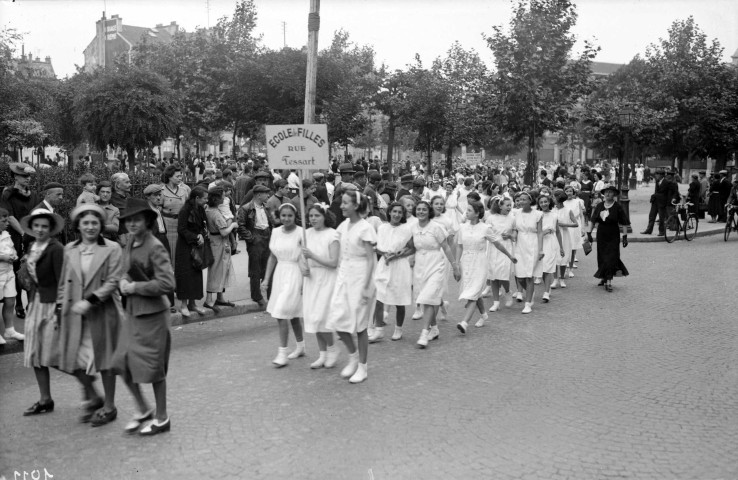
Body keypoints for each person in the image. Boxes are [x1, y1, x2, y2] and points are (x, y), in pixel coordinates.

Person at [57, 204, 125, 426]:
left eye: (95, 223)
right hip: (74, 312)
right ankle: (94, 395)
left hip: (103, 311)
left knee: (104, 361)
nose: (90, 227)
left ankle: (109, 406)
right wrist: (59, 307)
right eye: (85, 223)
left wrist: (90, 301)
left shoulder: (112, 248)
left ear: (101, 225)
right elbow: (63, 282)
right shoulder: (69, 249)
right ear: (78, 225)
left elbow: (114, 281)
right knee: (70, 359)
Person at [114, 198, 176, 435]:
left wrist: (135, 288)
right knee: (121, 363)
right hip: (132, 313)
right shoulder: (131, 241)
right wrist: (122, 280)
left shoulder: (155, 246)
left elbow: (167, 283)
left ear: (148, 221)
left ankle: (162, 418)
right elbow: (125, 268)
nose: (131, 224)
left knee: (153, 368)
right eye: (128, 220)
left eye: (136, 219)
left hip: (153, 316)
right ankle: (142, 409)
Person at [325, 192, 377, 383]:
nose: (342, 206)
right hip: (344, 274)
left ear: (356, 206)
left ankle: (363, 367)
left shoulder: (366, 228)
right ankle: (353, 356)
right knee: (338, 318)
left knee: (360, 324)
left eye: (346, 203)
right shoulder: (343, 225)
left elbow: (372, 259)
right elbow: (336, 248)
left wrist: (366, 286)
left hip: (361, 275)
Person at [21, 208, 65, 417]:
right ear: (31, 227)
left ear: (50, 229)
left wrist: (59, 309)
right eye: (36, 225)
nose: (40, 229)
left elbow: (64, 281)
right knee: (35, 353)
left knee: (54, 355)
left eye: (44, 226)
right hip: (36, 303)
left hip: (52, 306)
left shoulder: (56, 249)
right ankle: (45, 399)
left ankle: (91, 390)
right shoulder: (32, 246)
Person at [456, 201, 516, 333]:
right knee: (474, 293)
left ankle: (464, 322)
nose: (466, 212)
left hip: (480, 263)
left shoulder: (485, 228)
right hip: (466, 262)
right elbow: (460, 246)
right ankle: (483, 315)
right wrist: (456, 264)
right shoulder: (462, 227)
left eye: (470, 210)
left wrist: (509, 256)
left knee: (473, 293)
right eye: (467, 210)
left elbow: (498, 244)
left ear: (477, 213)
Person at [409, 201, 459, 348]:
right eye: (418, 209)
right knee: (423, 298)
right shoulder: (412, 228)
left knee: (429, 297)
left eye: (424, 209)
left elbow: (446, 247)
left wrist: (455, 266)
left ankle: (424, 333)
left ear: (428, 211)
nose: (421, 212)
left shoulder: (436, 227)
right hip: (420, 265)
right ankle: (435, 329)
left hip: (436, 264)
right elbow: (411, 247)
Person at [262, 204, 305, 367]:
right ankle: (300, 346)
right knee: (292, 314)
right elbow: (272, 257)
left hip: (295, 273)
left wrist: (305, 280)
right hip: (280, 273)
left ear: (295, 216)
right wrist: (266, 279)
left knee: (281, 312)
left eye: (290, 216)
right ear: (279, 216)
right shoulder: (275, 232)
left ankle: (282, 353)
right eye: (283, 215)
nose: (286, 219)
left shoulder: (302, 233)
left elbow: (305, 258)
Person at [300, 204, 340, 368]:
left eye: (317, 215)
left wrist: (312, 256)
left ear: (325, 216)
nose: (313, 219)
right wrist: (303, 267)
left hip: (327, 279)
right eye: (311, 216)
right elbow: (301, 256)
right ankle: (322, 354)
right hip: (312, 279)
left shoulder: (333, 235)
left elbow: (333, 262)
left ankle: (332, 349)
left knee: (322, 317)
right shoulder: (306, 234)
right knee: (313, 317)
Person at [1, 163, 39, 320]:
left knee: (31, 268)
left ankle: (31, 303)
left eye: (29, 176)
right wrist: (23, 233)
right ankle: (18, 304)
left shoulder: (34, 194)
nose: (27, 179)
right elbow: (9, 216)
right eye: (24, 176)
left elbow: (36, 214)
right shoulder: (7, 194)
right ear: (16, 176)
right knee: (16, 269)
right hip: (15, 235)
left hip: (31, 235)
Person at [371, 202, 413, 342]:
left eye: (399, 212)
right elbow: (376, 246)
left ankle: (398, 328)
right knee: (379, 297)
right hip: (384, 264)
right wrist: (384, 253)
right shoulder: (382, 228)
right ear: (389, 212)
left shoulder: (407, 229)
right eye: (394, 211)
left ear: (403, 215)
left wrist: (397, 255)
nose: (396, 215)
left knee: (399, 299)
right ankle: (379, 330)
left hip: (399, 266)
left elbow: (412, 248)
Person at [587, 185, 629, 292]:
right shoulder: (600, 205)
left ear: (614, 194)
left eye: (610, 192)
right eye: (606, 192)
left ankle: (609, 281)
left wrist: (624, 236)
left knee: (611, 257)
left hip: (613, 234)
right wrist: (589, 233)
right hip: (602, 234)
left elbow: (624, 222)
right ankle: (603, 277)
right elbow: (593, 220)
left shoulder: (617, 206)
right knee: (602, 256)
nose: (608, 194)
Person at [237, 185, 273, 309]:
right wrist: (251, 239)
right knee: (255, 269)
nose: (268, 196)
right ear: (258, 195)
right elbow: (240, 226)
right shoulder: (246, 208)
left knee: (267, 267)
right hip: (255, 238)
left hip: (266, 238)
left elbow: (270, 223)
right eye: (265, 194)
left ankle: (269, 294)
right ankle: (257, 296)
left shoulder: (266, 207)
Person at [175, 187, 208, 317]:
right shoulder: (185, 210)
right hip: (185, 246)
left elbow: (203, 225)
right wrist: (195, 237)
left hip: (196, 245)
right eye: (204, 198)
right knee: (185, 275)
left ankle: (192, 304)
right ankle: (183, 304)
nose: (206, 200)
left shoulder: (200, 209)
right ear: (197, 198)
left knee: (195, 274)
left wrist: (201, 235)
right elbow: (181, 229)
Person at [203, 186, 237, 311]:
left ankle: (219, 297)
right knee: (216, 270)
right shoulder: (215, 213)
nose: (224, 197)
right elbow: (224, 232)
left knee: (221, 269)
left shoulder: (208, 209)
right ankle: (208, 299)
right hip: (218, 243)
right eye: (222, 195)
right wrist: (233, 224)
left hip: (215, 241)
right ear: (216, 198)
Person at [511, 192, 543, 314]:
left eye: (524, 199)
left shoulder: (538, 214)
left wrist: (541, 249)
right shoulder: (516, 213)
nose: (521, 202)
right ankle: (531, 292)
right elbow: (515, 230)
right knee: (520, 276)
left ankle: (528, 303)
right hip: (520, 246)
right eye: (519, 200)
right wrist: (511, 236)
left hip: (532, 245)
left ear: (530, 201)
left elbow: (540, 233)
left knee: (529, 276)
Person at [485, 196, 516, 312]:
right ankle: (496, 302)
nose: (510, 207)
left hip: (506, 248)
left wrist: (509, 236)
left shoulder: (512, 218)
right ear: (500, 206)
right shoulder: (491, 218)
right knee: (493, 276)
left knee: (503, 275)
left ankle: (507, 292)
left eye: (510, 205)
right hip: (493, 248)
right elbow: (487, 233)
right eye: (507, 205)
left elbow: (514, 235)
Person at [532, 194, 564, 303]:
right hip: (539, 243)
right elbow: (532, 230)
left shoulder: (554, 215)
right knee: (540, 267)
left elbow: (558, 231)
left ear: (549, 202)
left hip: (551, 242)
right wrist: (542, 232)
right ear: (539, 204)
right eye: (541, 202)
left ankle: (546, 292)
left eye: (545, 201)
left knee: (548, 267)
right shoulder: (536, 215)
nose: (544, 204)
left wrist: (561, 247)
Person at [0, 207, 23, 343]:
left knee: (10, 301)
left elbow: (13, 249)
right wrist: (2, 257)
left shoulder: (6, 234)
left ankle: (9, 331)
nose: (7, 223)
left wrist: (14, 256)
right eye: (4, 221)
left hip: (8, 273)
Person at [160, 165, 191, 265]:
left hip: (182, 225)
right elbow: (158, 212)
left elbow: (188, 208)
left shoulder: (184, 190)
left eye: (181, 176)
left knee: (181, 250)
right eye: (177, 176)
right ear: (169, 177)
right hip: (168, 225)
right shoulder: (161, 191)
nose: (180, 178)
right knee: (169, 250)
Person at [552, 190, 578, 291]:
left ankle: (562, 278)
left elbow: (576, 223)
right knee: (554, 256)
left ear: (558, 198)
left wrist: (564, 224)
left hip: (564, 234)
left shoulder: (568, 210)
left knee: (563, 257)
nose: (553, 199)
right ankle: (555, 279)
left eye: (554, 197)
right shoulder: (552, 210)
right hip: (554, 234)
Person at [641, 170, 677, 235]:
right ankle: (649, 230)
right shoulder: (657, 181)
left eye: (657, 175)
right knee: (651, 216)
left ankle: (661, 231)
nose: (656, 176)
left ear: (661, 175)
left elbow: (674, 191)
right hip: (655, 201)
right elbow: (656, 191)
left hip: (662, 202)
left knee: (661, 218)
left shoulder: (667, 182)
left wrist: (673, 198)